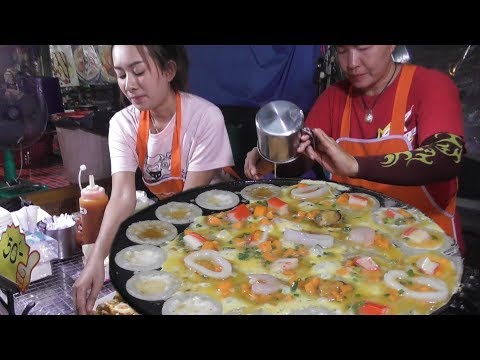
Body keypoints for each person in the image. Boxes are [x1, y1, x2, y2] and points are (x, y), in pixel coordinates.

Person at [245, 45, 465, 253]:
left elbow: (446, 156)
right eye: (342, 49)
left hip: (428, 248)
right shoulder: (334, 98)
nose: (351, 62)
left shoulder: (429, 85)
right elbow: (302, 161)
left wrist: (355, 165)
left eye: (363, 48)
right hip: (353, 243)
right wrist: (272, 153)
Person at [73, 45, 236, 314]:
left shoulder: (204, 118)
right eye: (121, 74)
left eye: (138, 71)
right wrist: (94, 261)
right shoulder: (123, 124)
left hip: (216, 228)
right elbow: (123, 196)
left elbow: (189, 204)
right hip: (172, 226)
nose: (130, 85)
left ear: (169, 70)